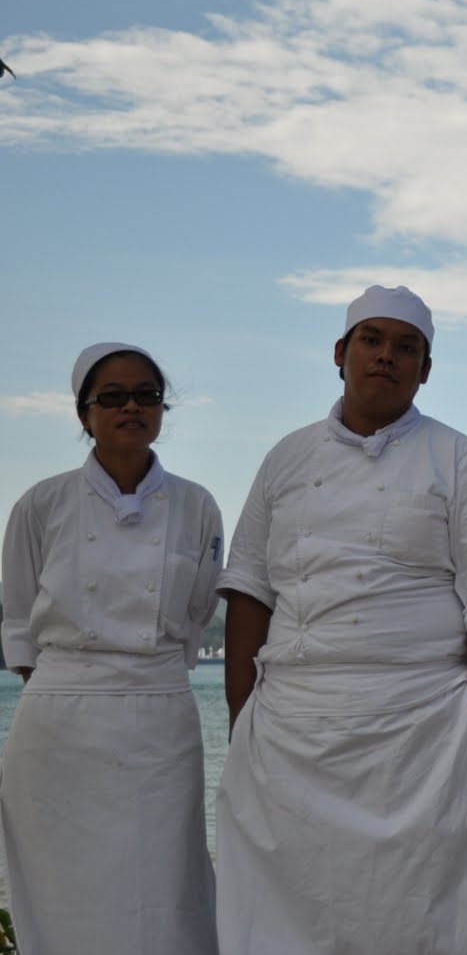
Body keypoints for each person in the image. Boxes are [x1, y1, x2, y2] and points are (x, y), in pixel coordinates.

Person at [214, 285, 467, 955]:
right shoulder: (287, 458)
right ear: (340, 352)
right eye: (372, 340)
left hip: (420, 731)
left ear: (426, 368)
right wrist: (244, 717)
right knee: (285, 915)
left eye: (406, 347)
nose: (387, 356)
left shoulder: (457, 457)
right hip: (292, 727)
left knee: (423, 915)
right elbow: (248, 590)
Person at [0, 343, 222, 955]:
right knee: (61, 888)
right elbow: (20, 622)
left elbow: (198, 612)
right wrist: (76, 687)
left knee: (167, 890)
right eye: (114, 397)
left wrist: (140, 682)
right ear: (83, 414)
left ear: (162, 408)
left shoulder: (198, 505)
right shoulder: (39, 505)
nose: (132, 407)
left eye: (147, 395)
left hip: (161, 717)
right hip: (58, 724)